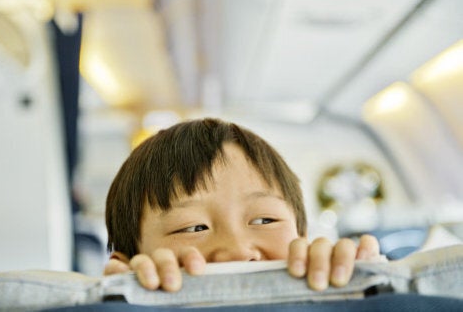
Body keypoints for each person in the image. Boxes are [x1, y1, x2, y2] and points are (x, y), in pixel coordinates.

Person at [103, 117, 381, 292]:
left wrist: (366, 287)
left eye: (265, 221)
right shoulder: (130, 291)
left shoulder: (344, 294)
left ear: (303, 239)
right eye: (192, 227)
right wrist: (122, 296)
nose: (236, 250)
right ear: (127, 263)